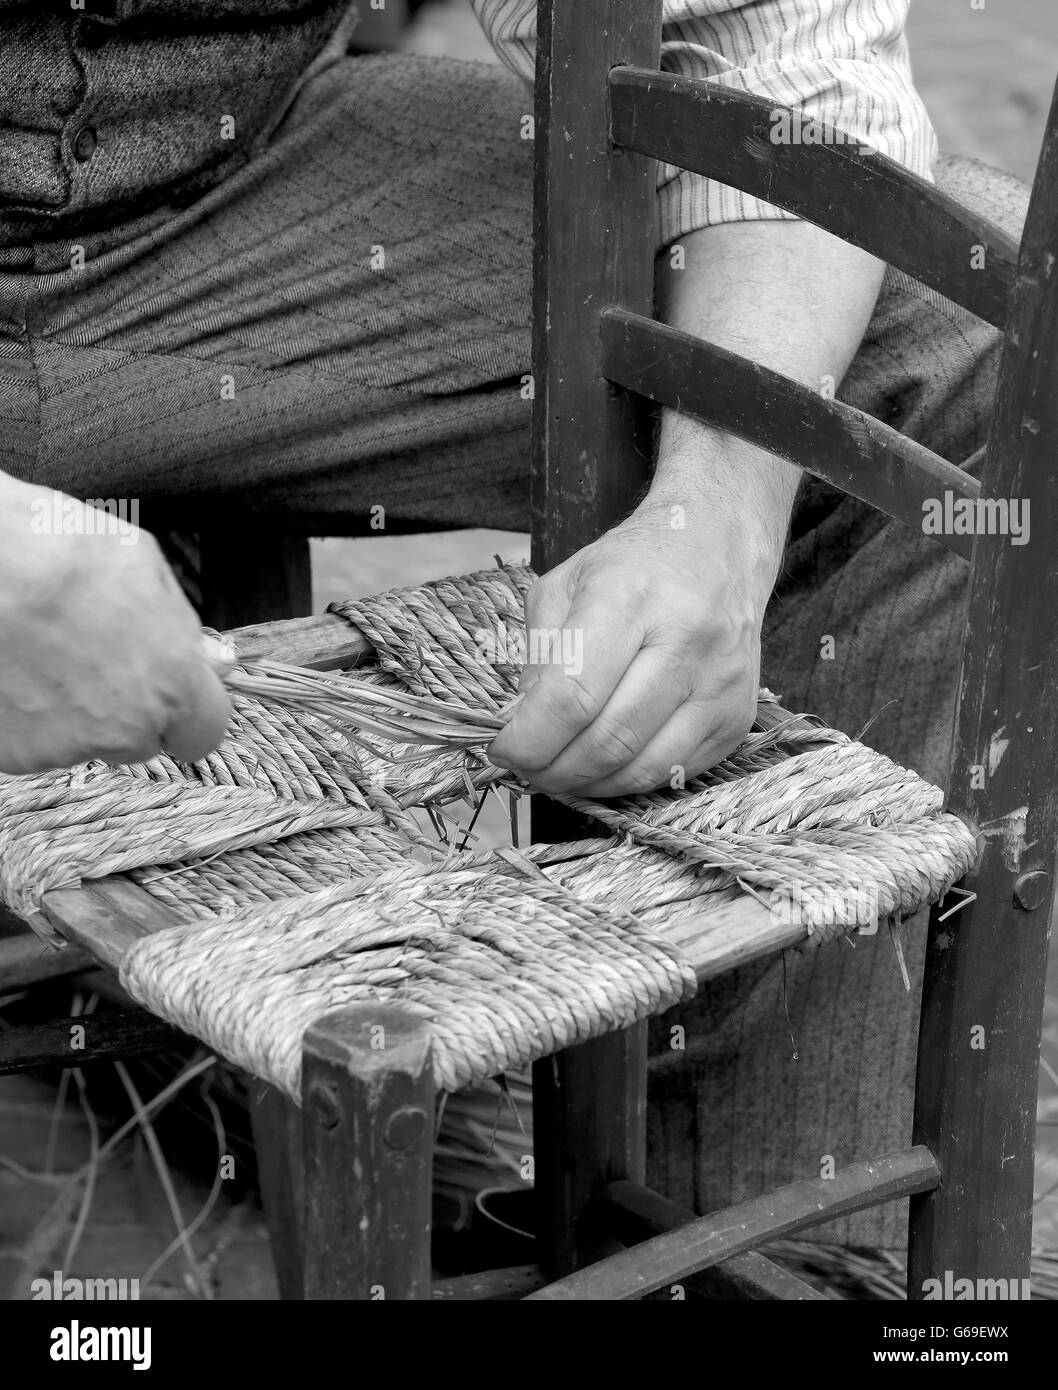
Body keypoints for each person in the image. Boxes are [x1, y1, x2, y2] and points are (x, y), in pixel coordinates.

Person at [0, 0, 1029, 1247]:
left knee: (956, 318)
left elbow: (767, 48)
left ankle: (730, 1248)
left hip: (208, 202)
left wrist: (721, 502)